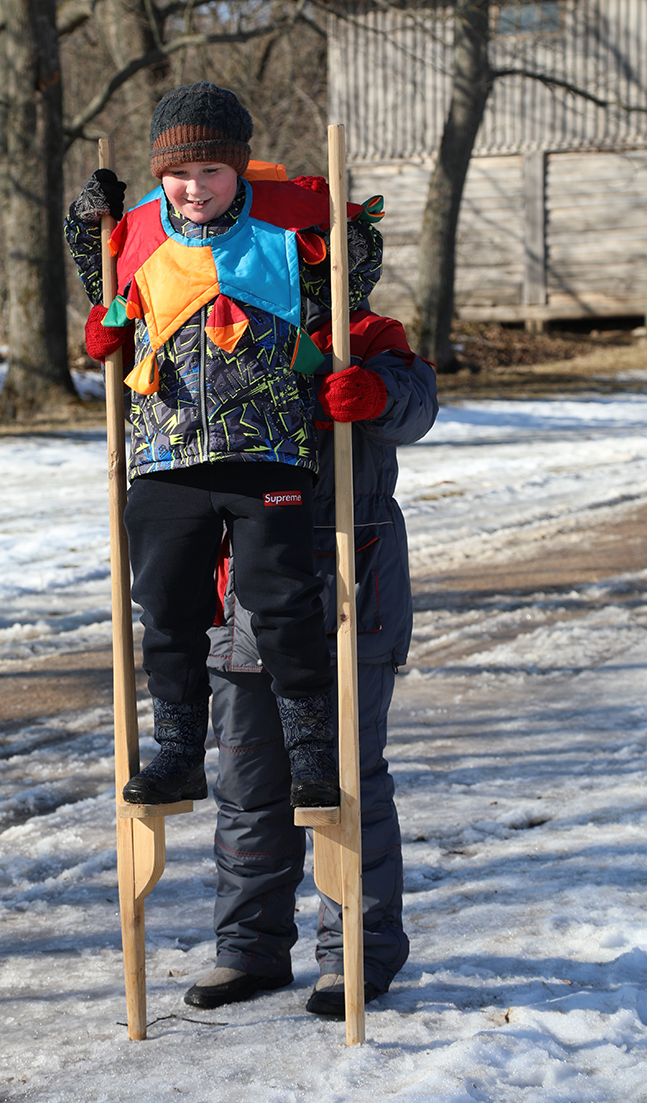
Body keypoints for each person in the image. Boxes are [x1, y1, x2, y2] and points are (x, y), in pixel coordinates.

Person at [66, 81, 367, 810]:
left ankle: (311, 755)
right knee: (167, 608)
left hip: (269, 450)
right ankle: (176, 752)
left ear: (238, 168)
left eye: (210, 171)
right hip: (166, 458)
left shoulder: (288, 232)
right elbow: (97, 287)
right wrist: (84, 220)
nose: (193, 187)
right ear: (158, 173)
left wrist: (344, 223)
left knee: (284, 606)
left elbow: (351, 292)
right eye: (177, 172)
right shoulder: (133, 233)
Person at [182, 208, 438, 1018]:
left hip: (345, 592)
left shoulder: (370, 335)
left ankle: (353, 953)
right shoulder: (219, 322)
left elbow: (415, 402)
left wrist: (374, 393)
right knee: (249, 780)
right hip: (244, 597)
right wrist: (124, 341)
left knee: (344, 778)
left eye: (325, 258)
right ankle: (249, 948)